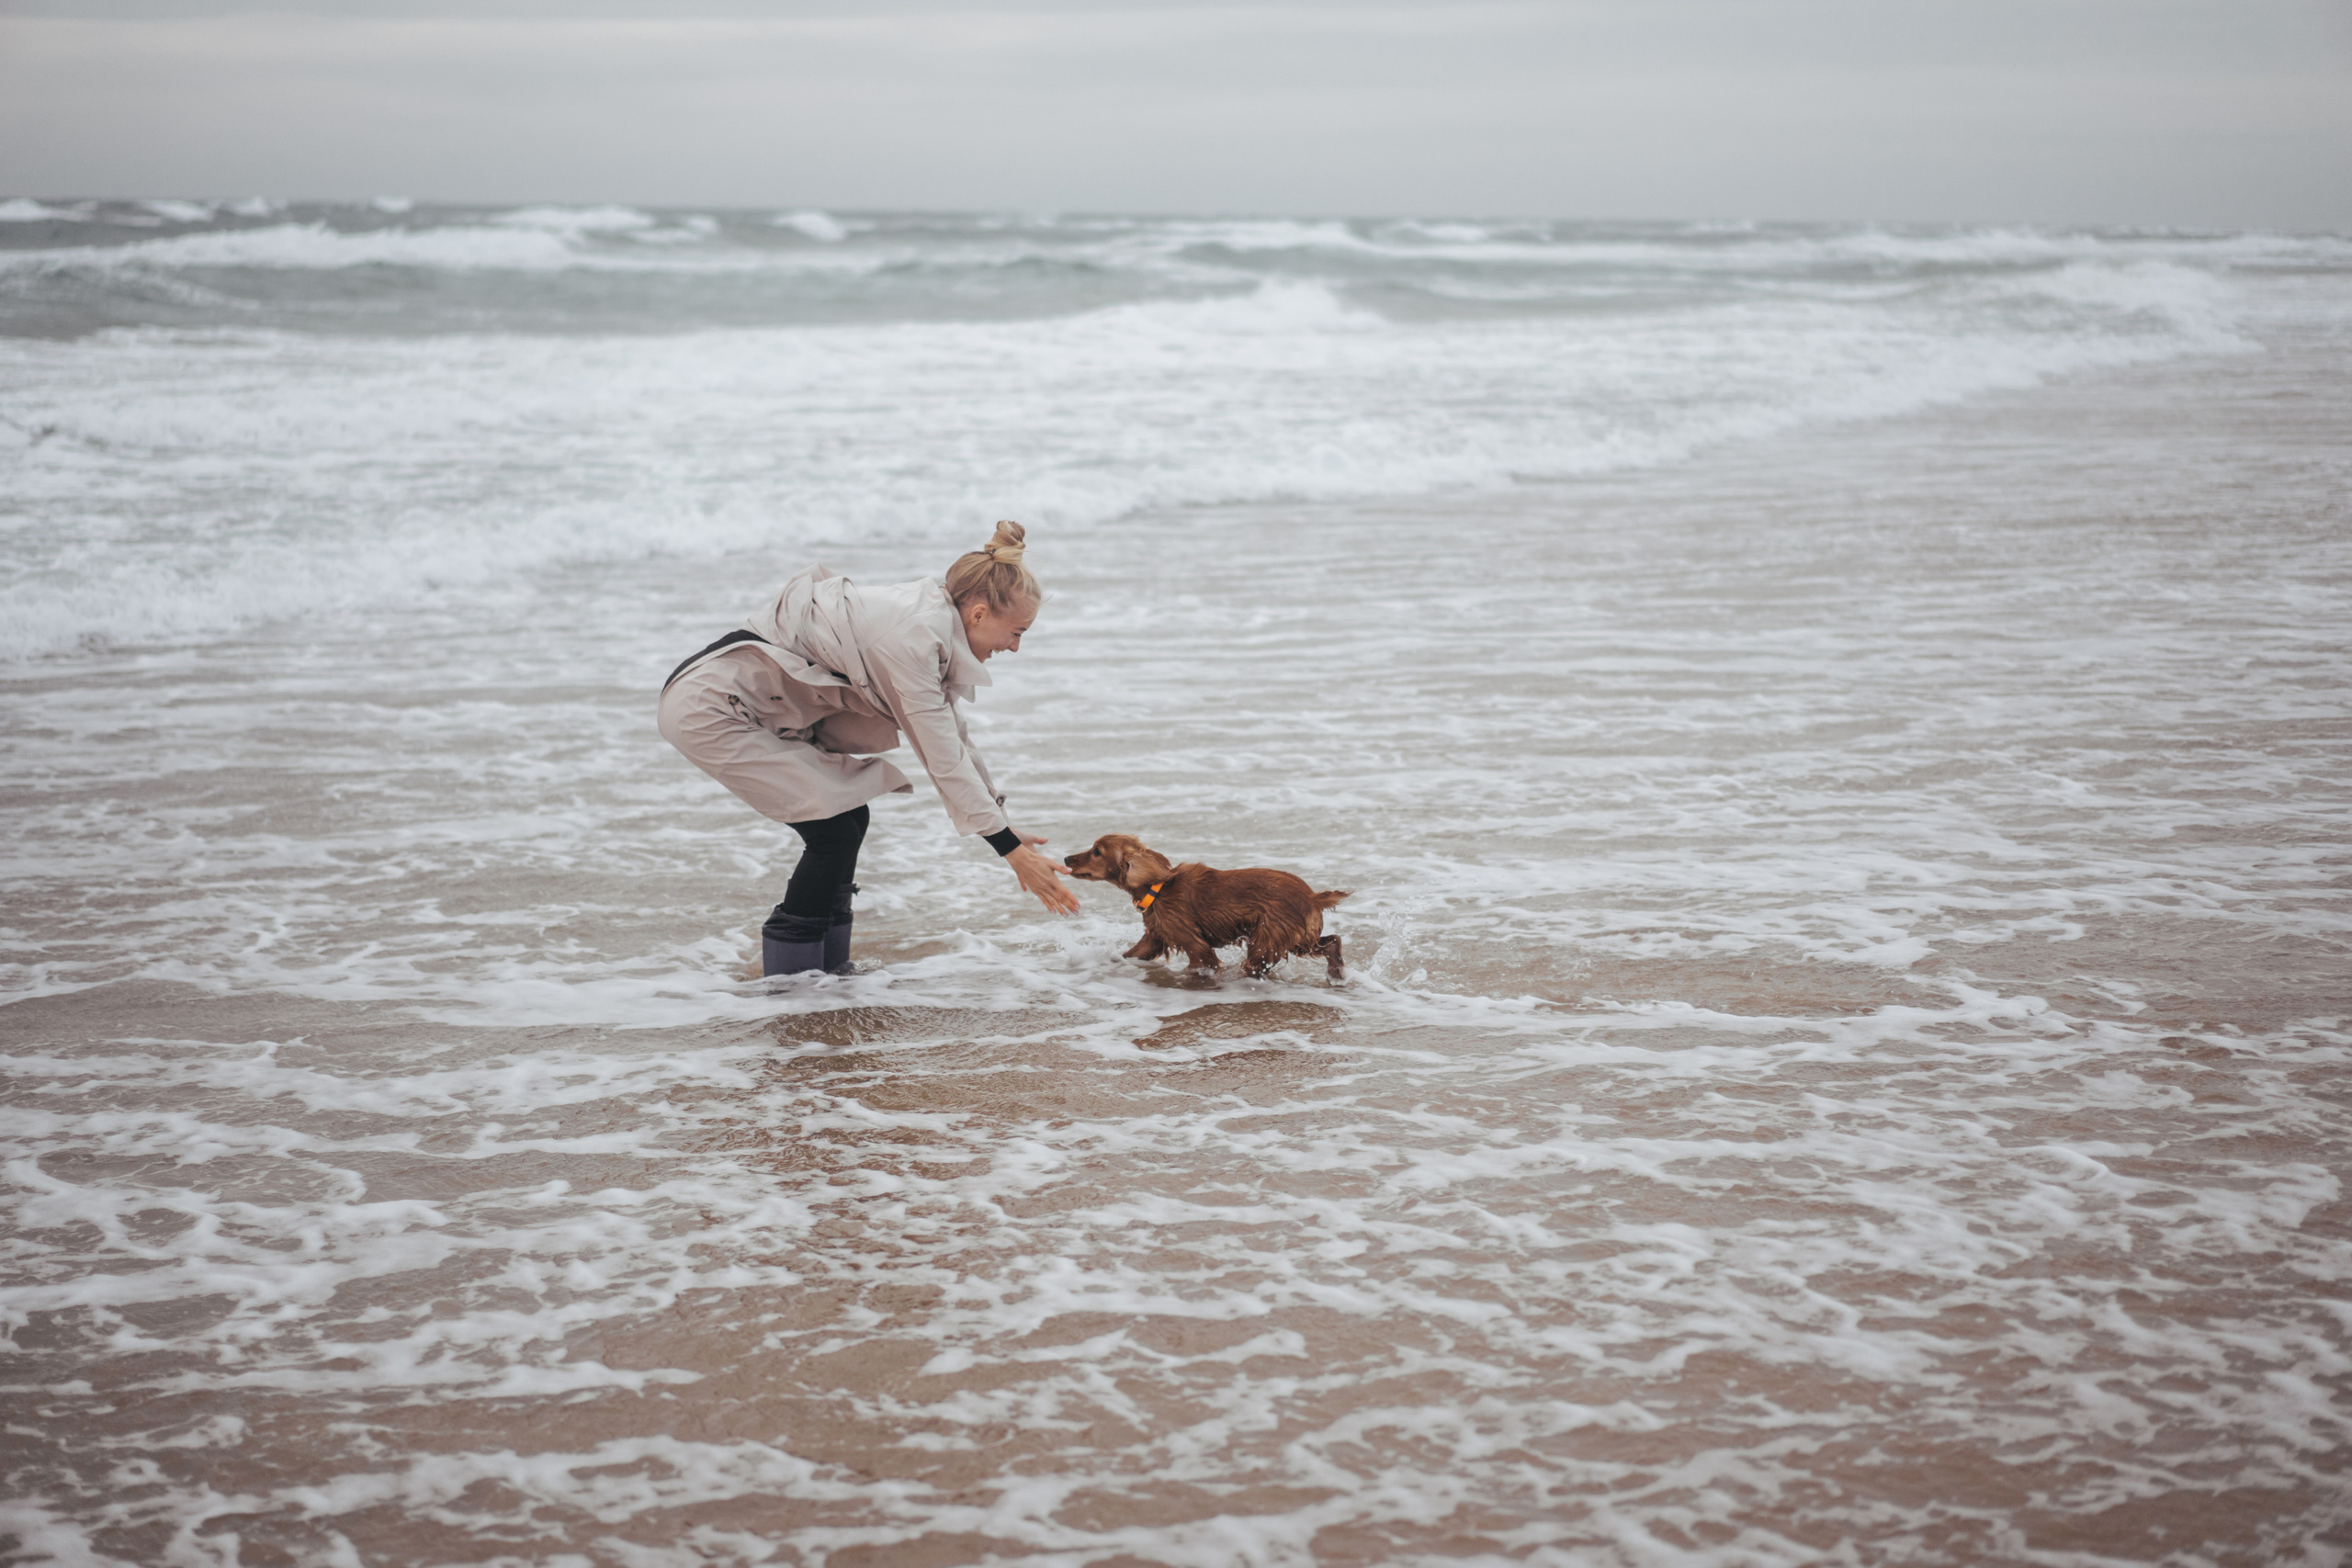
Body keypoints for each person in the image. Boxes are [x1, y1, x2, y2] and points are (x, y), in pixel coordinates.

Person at [658, 520, 1080, 976]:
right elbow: (939, 754)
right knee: (832, 831)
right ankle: (792, 990)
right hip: (713, 709)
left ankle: (828, 978)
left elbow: (953, 736)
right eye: (1017, 632)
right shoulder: (912, 637)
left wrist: (1003, 824)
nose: (1015, 647)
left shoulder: (932, 626)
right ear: (978, 614)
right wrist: (1009, 852)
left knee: (847, 818)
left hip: (753, 704)